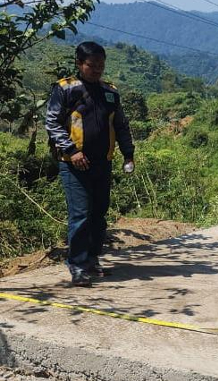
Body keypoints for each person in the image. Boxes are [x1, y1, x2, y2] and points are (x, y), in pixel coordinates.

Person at [46, 41, 135, 287]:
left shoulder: (110, 91)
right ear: (79, 63)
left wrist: (128, 154)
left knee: (99, 213)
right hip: (74, 164)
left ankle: (93, 258)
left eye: (101, 66)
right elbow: (52, 123)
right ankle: (77, 265)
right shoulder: (65, 89)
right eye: (91, 65)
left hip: (102, 162)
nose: (97, 70)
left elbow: (121, 125)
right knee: (81, 214)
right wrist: (72, 151)